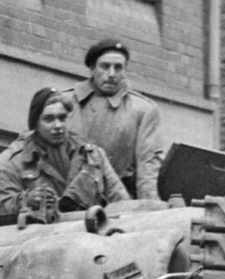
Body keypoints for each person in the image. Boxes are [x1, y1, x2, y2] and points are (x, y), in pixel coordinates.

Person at [0, 88, 129, 225]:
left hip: (90, 233)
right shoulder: (17, 161)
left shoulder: (93, 155)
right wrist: (26, 200)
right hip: (42, 236)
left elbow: (121, 202)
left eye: (62, 118)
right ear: (35, 123)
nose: (58, 125)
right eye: (49, 119)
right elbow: (0, 210)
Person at [68, 39, 165, 201]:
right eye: (105, 66)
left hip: (117, 200)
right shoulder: (66, 103)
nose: (112, 74)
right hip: (68, 200)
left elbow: (147, 168)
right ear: (92, 69)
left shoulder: (142, 110)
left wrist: (148, 207)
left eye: (118, 67)